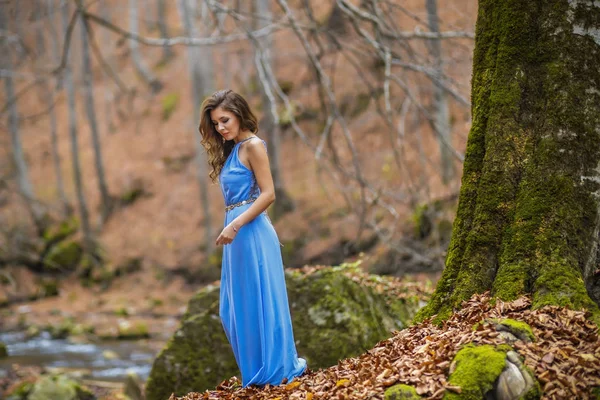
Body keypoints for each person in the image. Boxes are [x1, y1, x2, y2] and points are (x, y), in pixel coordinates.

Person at [199, 89, 307, 387]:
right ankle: (256, 373)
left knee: (259, 301)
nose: (220, 127)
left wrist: (236, 225)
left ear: (239, 114)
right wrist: (232, 225)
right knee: (233, 309)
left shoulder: (253, 146)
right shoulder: (234, 148)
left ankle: (273, 372)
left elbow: (269, 194)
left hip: (250, 231)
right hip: (237, 232)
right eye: (216, 123)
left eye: (225, 120)